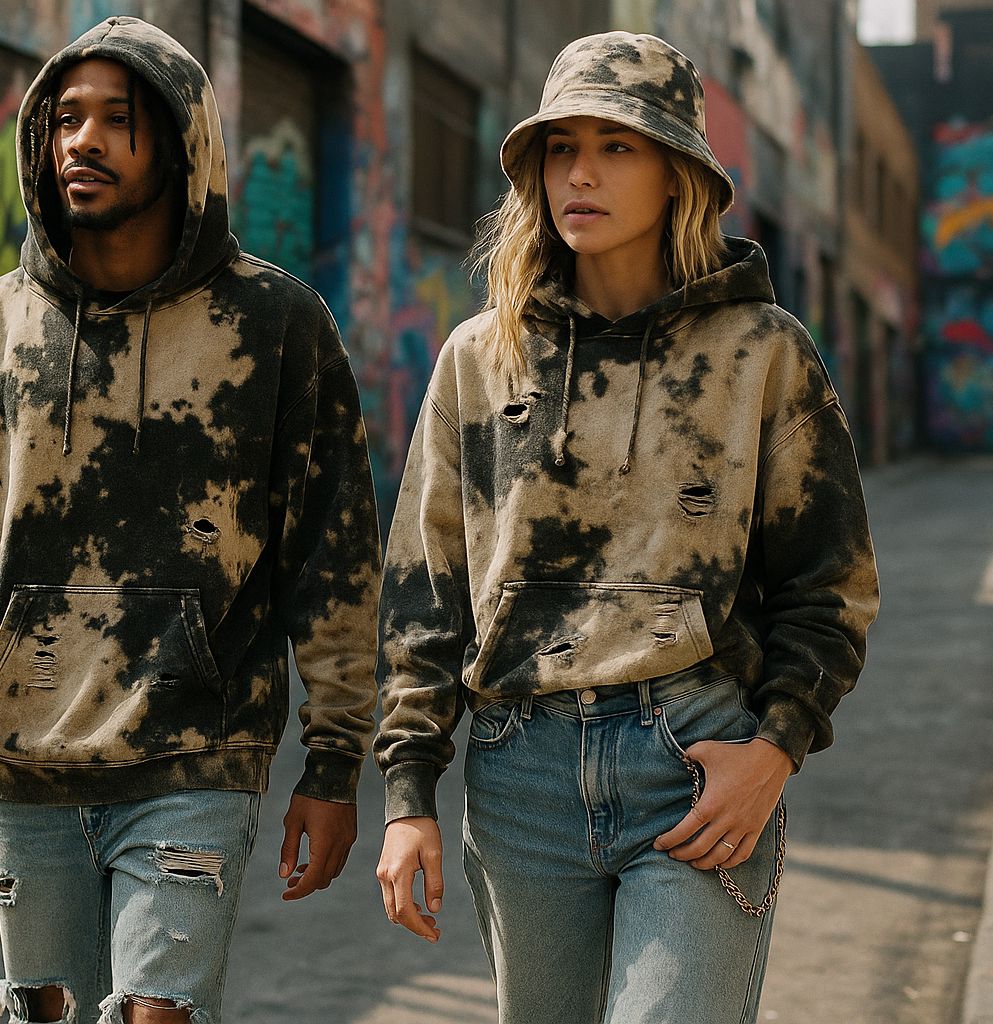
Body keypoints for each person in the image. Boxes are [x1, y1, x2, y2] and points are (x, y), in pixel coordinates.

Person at [0, 17, 382, 1024]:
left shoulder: (276, 325)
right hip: (30, 758)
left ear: (183, 142)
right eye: (64, 120)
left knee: (157, 1015)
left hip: (200, 750)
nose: (80, 143)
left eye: (116, 119)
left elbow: (336, 557)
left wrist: (335, 759)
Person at [373, 32, 879, 1024]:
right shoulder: (484, 358)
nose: (582, 172)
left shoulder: (765, 353)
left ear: (678, 172)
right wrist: (406, 794)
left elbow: (831, 584)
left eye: (618, 146)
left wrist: (773, 748)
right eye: (563, 147)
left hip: (693, 758)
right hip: (521, 772)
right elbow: (424, 591)